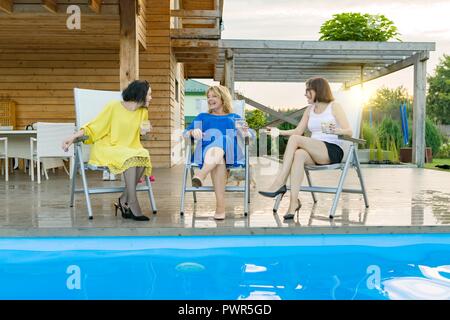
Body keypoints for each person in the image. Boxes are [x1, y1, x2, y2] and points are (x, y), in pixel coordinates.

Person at [258, 77, 352, 219]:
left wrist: (336, 131)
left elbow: (349, 131)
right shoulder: (310, 109)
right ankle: (293, 203)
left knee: (296, 141)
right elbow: (297, 131)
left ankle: (280, 182)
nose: (305, 94)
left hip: (331, 150)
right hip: (313, 151)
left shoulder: (334, 106)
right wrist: (278, 132)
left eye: (308, 91)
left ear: (318, 90)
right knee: (299, 154)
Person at [62, 80, 153, 221]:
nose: (151, 98)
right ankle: (133, 202)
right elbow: (95, 127)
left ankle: (124, 199)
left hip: (130, 147)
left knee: (143, 154)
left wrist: (143, 132)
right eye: (149, 95)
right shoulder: (113, 107)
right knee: (132, 157)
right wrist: (73, 137)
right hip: (108, 147)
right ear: (140, 95)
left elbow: (141, 133)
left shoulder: (143, 112)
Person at [184, 85, 250, 220]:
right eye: (208, 97)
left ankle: (201, 174)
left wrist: (245, 131)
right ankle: (220, 208)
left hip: (231, 154)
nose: (210, 99)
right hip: (207, 154)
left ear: (223, 98)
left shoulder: (234, 117)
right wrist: (192, 132)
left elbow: (249, 135)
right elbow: (185, 134)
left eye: (214, 96)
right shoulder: (203, 116)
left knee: (224, 138)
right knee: (218, 159)